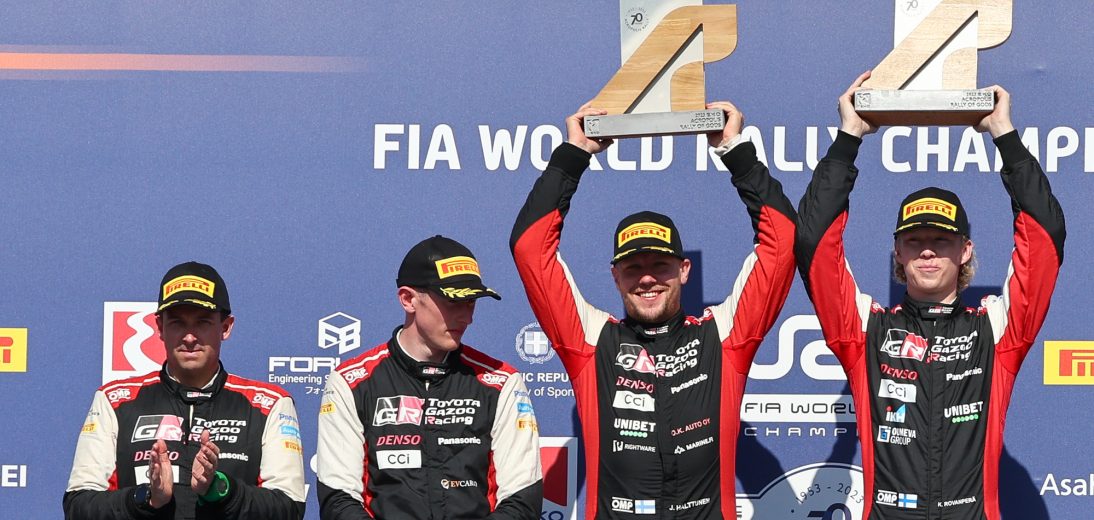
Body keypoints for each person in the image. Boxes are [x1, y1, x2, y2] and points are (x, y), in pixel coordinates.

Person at [795, 72, 1066, 520]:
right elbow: (814, 245)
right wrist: (848, 138)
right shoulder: (865, 330)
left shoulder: (997, 331)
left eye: (941, 240)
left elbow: (1044, 240)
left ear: (965, 250)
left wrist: (1004, 135)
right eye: (914, 240)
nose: (926, 250)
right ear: (897, 253)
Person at [510, 102, 797, 519]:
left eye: (660, 265)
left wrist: (734, 150)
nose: (647, 279)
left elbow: (782, 242)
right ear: (615, 276)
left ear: (684, 271)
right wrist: (574, 154)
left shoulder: (722, 337)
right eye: (633, 267)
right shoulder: (591, 342)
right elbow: (530, 249)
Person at [316, 235, 542, 519]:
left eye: (471, 302)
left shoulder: (501, 382)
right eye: (453, 302)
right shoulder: (351, 383)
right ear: (408, 299)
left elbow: (522, 500)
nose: (467, 317)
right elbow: (339, 500)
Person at [64, 261, 306, 519]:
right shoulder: (114, 401)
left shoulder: (269, 405)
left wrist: (221, 490)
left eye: (202, 323)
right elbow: (78, 505)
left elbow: (289, 507)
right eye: (178, 323)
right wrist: (147, 498)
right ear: (160, 327)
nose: (189, 337)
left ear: (225, 327)